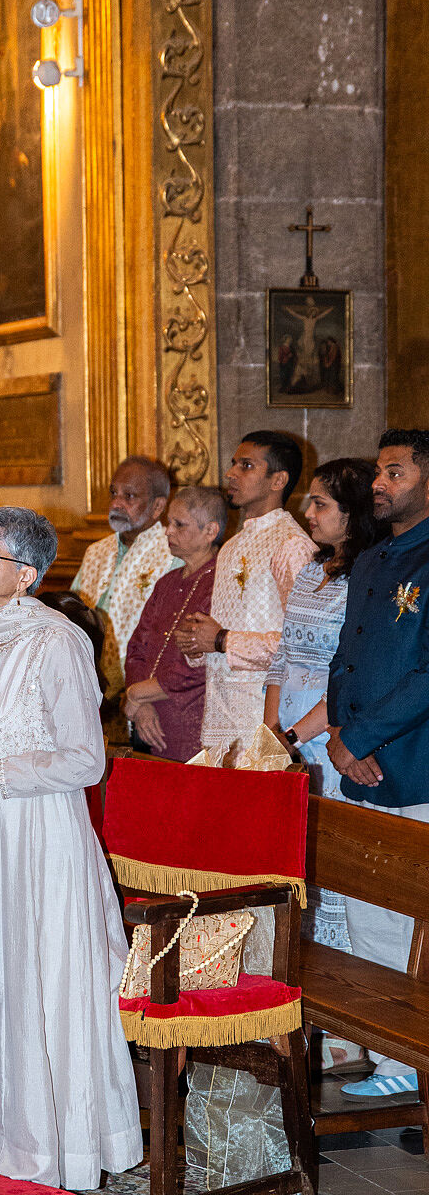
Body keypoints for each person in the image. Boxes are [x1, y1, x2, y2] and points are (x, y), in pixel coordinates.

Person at [0, 507, 142, 1191]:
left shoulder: (57, 641)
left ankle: (52, 1141)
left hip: (39, 836)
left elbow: (84, 761)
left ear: (27, 576)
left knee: (36, 974)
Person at [263, 458, 380, 1074]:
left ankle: (348, 1035)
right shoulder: (311, 571)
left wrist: (298, 734)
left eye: (320, 505)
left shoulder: (368, 574)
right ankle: (302, 1014)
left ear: (353, 513)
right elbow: (283, 657)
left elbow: (352, 672)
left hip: (330, 735)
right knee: (295, 877)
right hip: (289, 734)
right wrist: (270, 732)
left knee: (334, 880)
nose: (308, 515)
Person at [327, 428, 429, 1101]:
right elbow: (348, 654)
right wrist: (340, 732)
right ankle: (390, 1053)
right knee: (368, 909)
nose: (379, 483)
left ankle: (412, 1053)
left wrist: (361, 737)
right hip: (360, 755)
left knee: (414, 915)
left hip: (417, 761)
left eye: (395, 471)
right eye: (379, 471)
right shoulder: (372, 559)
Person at [178, 431, 314, 762]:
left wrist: (223, 639)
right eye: (234, 463)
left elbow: (302, 645)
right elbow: (218, 637)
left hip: (267, 718)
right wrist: (196, 643)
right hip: (220, 717)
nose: (231, 474)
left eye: (247, 465)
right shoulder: (230, 547)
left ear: (277, 480)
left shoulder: (292, 545)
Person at [72, 456, 182, 734]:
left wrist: (142, 695)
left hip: (145, 700)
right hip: (86, 692)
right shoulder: (96, 552)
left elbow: (173, 639)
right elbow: (70, 617)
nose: (117, 503)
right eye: (114, 493)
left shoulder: (174, 555)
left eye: (129, 496)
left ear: (158, 506)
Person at [124, 486, 225, 761]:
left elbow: (201, 663)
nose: (168, 531)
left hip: (193, 719)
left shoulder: (220, 584)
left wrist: (137, 693)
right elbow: (137, 648)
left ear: (210, 531)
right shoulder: (167, 583)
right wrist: (142, 704)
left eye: (179, 524)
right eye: (170, 523)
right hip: (150, 721)